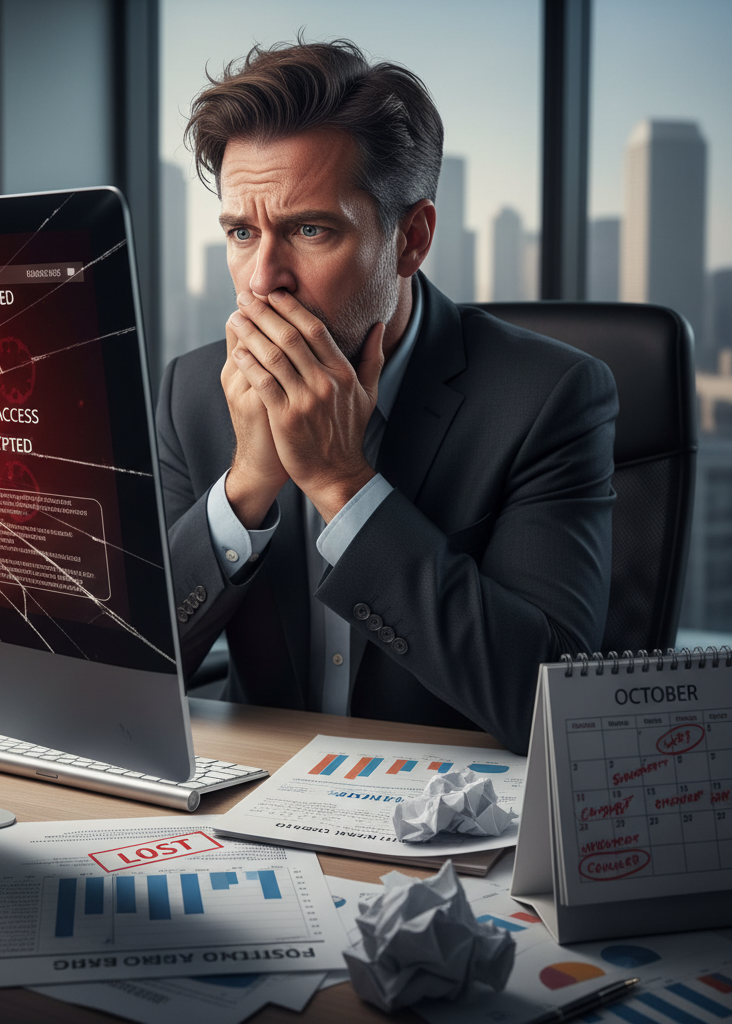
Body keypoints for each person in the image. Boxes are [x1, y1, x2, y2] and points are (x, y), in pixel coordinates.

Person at [156, 39, 617, 754]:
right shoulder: (192, 391)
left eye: (310, 229)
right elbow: (127, 670)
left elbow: (552, 703)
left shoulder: (550, 399)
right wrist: (245, 488)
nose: (262, 279)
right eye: (242, 233)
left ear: (411, 239)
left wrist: (343, 483)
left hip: (456, 829)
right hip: (253, 813)